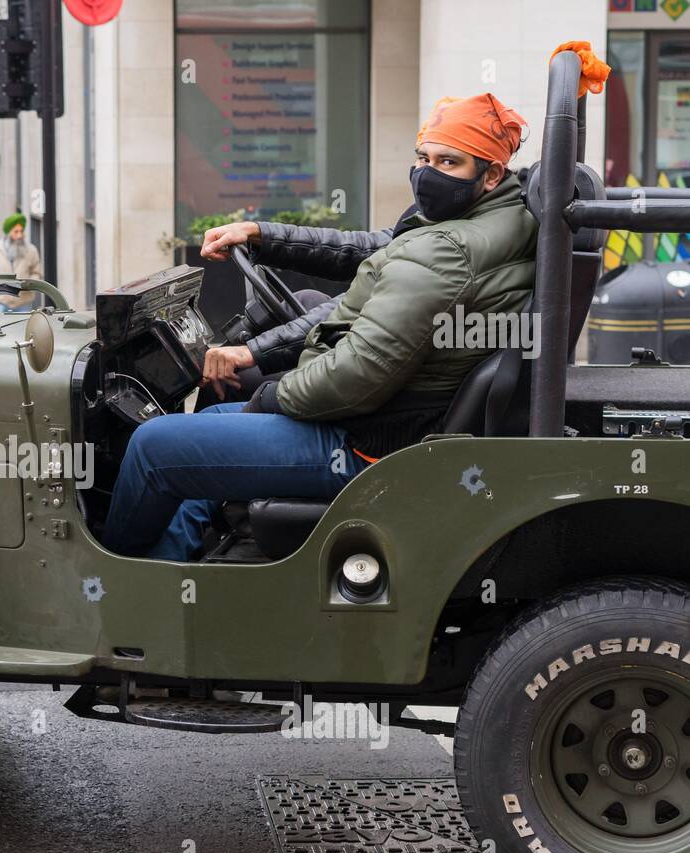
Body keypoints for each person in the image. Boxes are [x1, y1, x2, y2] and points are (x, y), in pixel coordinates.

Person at [102, 43, 610, 562]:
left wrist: (270, 395)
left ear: (492, 173)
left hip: (370, 446)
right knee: (268, 343)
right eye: (424, 158)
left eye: (448, 162)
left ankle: (112, 592)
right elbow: (379, 258)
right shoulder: (490, 219)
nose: (427, 173)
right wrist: (262, 236)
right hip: (393, 419)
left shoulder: (448, 250)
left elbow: (359, 372)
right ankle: (179, 561)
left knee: (154, 447)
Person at [0, 212, 42, 311]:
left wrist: (29, 284)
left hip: (23, 303)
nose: (19, 235)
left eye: (21, 231)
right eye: (15, 231)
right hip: (0, 302)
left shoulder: (31, 250)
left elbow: (37, 273)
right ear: (8, 232)